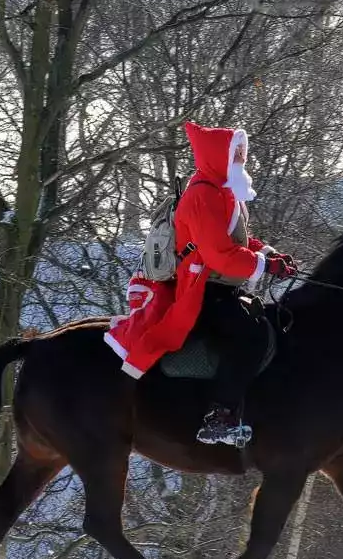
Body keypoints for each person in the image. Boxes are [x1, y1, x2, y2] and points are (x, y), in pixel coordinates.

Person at [104, 121, 296, 446]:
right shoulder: (202, 196)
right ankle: (219, 417)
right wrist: (264, 265)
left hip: (220, 288)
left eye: (242, 153)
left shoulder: (223, 192)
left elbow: (238, 239)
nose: (241, 160)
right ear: (216, 156)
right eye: (235, 153)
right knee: (249, 336)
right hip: (201, 293)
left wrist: (269, 254)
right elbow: (220, 255)